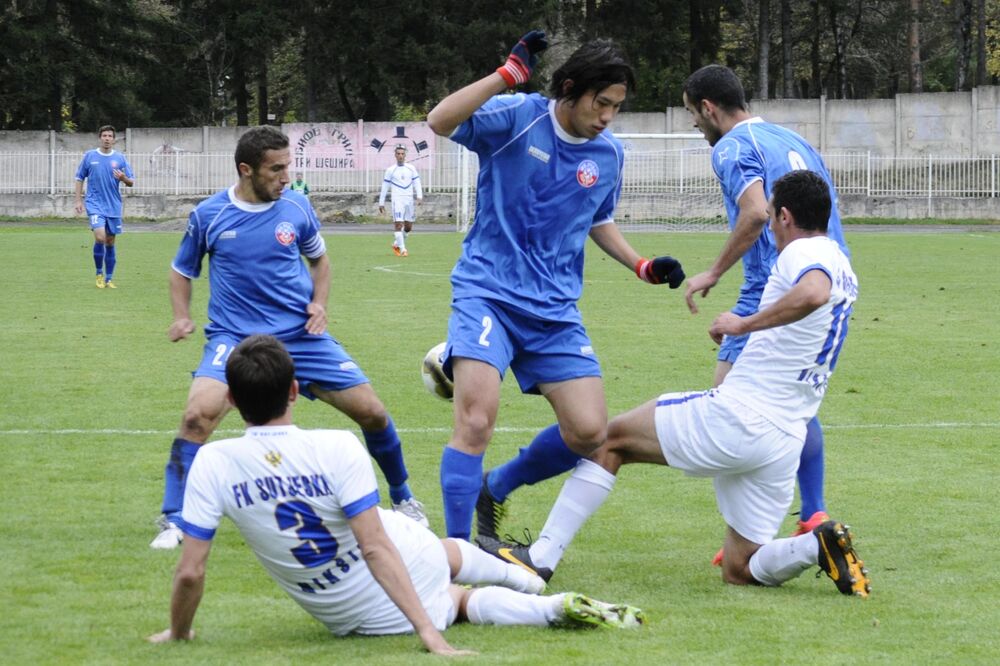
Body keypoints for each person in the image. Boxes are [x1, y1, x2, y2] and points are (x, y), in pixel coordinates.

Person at [477, 171, 870, 598]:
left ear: (786, 216)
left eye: (773, 218)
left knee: (606, 441)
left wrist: (744, 323)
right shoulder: (843, 263)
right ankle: (815, 546)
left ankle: (541, 559)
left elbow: (812, 292)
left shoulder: (802, 253)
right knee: (741, 568)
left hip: (741, 417)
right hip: (784, 441)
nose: (771, 227)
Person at [146, 335, 646, 654]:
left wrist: (179, 631)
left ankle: (547, 607)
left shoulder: (212, 462)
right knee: (445, 554)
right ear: (296, 391)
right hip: (400, 566)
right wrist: (429, 636)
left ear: (231, 400)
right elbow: (376, 545)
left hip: (349, 616)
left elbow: (191, 571)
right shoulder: (337, 445)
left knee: (459, 602)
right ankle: (535, 586)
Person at [425, 31, 685, 542]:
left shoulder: (608, 154)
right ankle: (456, 554)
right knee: (476, 422)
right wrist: (505, 76)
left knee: (589, 433)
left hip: (554, 309)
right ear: (569, 89)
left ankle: (494, 488)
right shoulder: (520, 117)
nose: (608, 116)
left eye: (617, 106)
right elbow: (439, 121)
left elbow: (598, 219)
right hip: (488, 293)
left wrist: (642, 264)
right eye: (601, 102)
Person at [150, 126, 426, 550]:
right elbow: (182, 270)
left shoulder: (296, 206)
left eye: (287, 167)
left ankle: (404, 498)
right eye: (276, 169)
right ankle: (174, 518)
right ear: (246, 170)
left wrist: (319, 304)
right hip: (235, 338)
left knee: (372, 412)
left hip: (300, 335)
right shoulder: (210, 215)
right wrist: (181, 316)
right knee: (196, 417)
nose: (285, 177)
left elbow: (321, 262)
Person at [679, 64, 851, 565]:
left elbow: (755, 212)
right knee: (790, 403)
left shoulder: (731, 146)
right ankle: (813, 515)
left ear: (709, 108)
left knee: (733, 408)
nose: (695, 125)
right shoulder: (787, 136)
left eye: (693, 114)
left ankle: (748, 537)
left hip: (775, 286)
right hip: (830, 278)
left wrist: (713, 272)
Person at [74, 125, 134, 289]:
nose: (107, 138)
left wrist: (123, 177)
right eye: (104, 135)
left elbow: (131, 182)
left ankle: (109, 279)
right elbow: (79, 178)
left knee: (110, 241)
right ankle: (99, 273)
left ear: (114, 140)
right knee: (100, 237)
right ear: (100, 138)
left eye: (110, 136)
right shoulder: (90, 156)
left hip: (113, 206)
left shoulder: (120, 158)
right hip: (94, 204)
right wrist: (78, 200)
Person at [378, 145, 422, 256]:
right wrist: (381, 202)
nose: (400, 156)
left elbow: (417, 182)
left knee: (408, 227)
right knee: (398, 225)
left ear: (405, 155)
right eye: (398, 154)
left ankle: (396, 244)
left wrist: (419, 196)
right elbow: (385, 186)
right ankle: (403, 250)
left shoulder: (411, 168)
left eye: (402, 154)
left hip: (409, 200)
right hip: (397, 200)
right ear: (395, 155)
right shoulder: (390, 170)